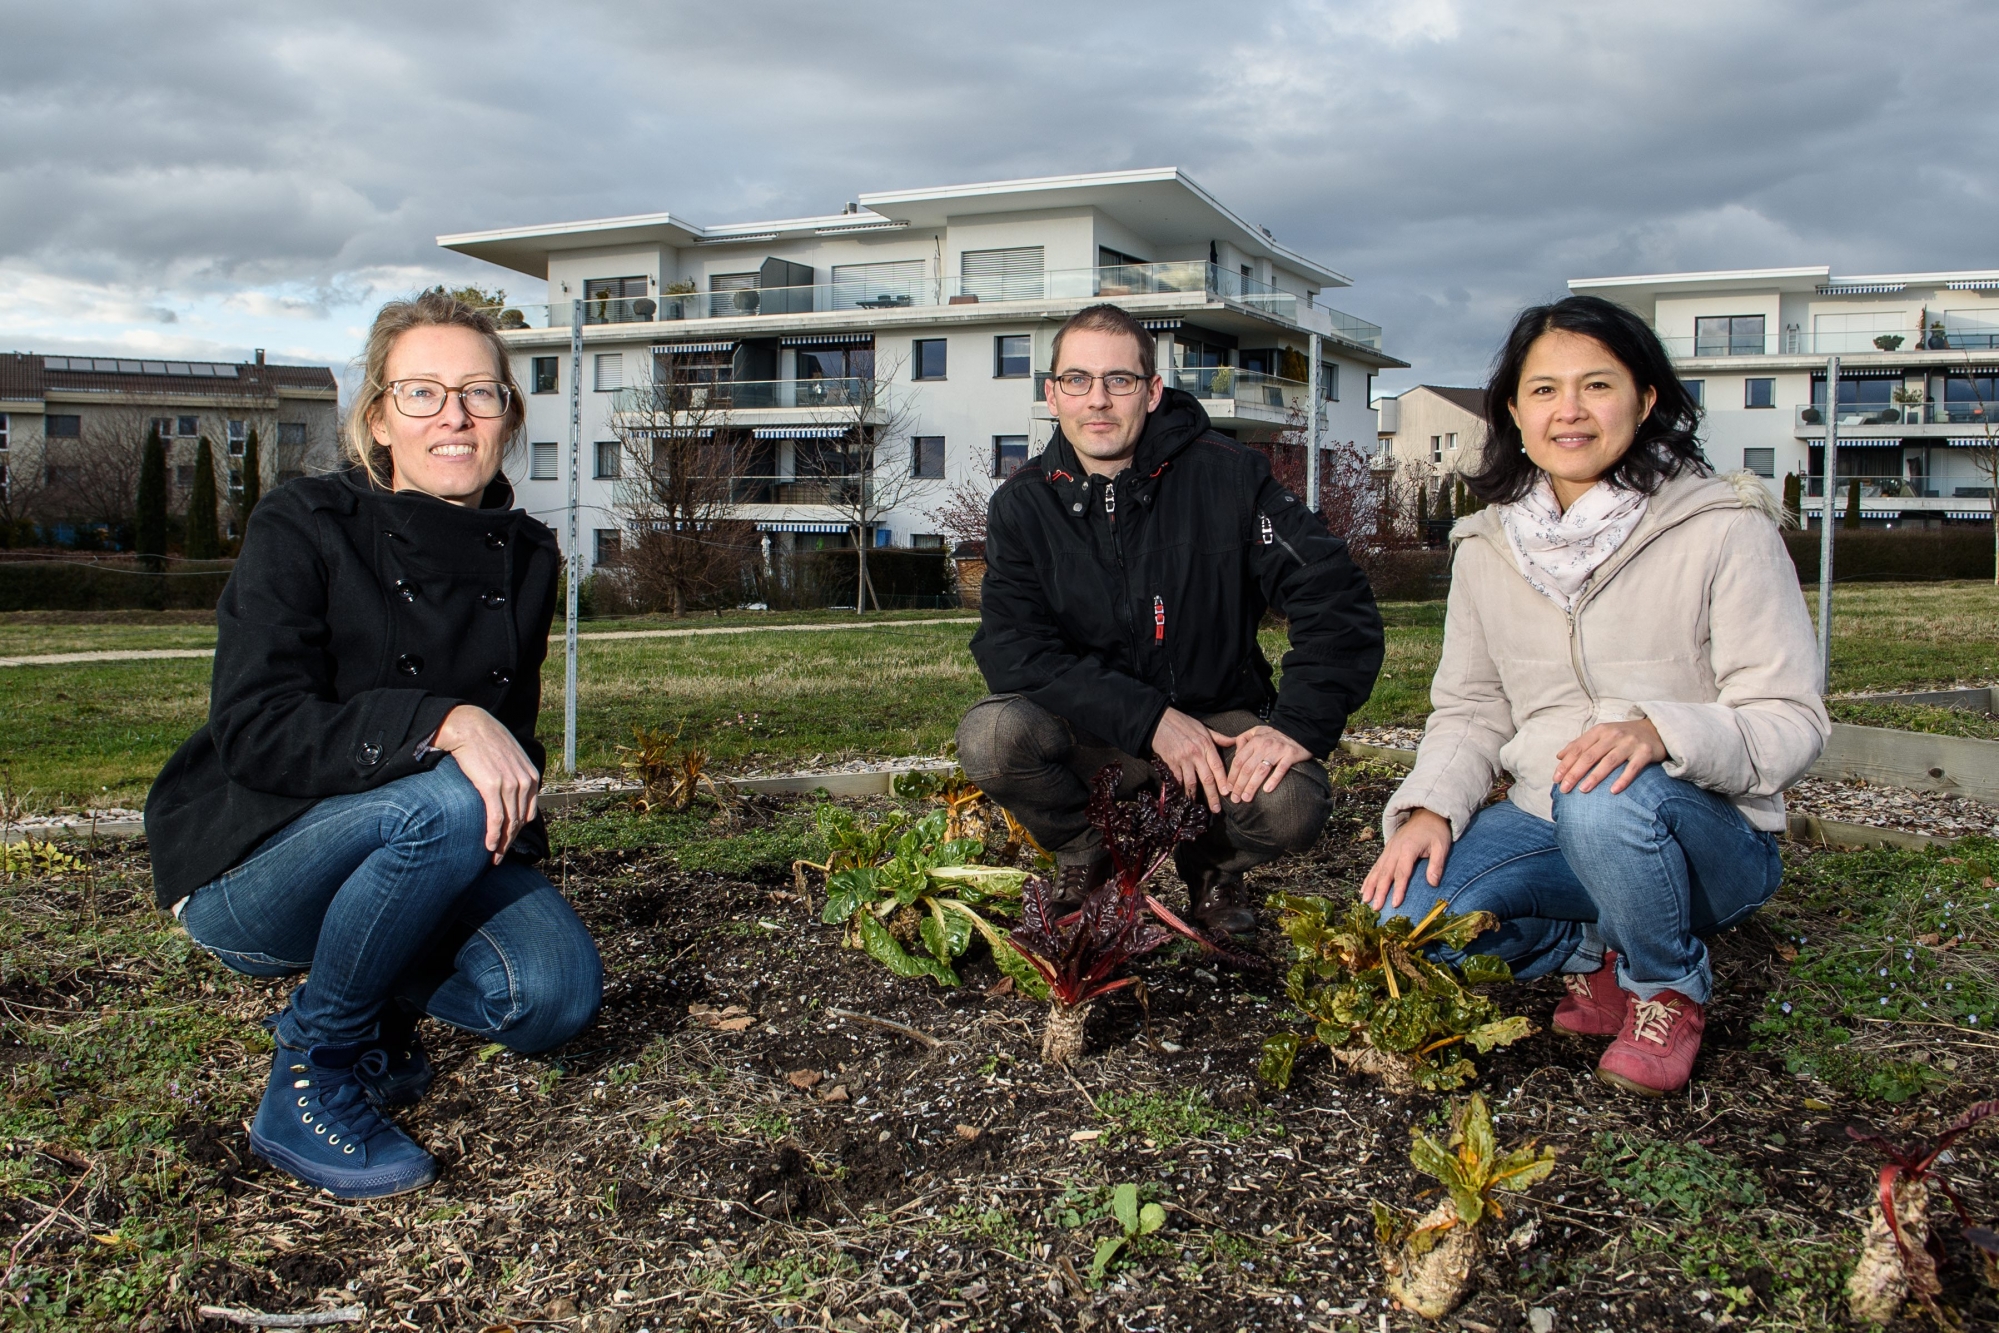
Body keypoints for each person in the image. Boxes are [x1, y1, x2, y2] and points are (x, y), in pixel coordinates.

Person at [145, 291, 602, 1199]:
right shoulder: (303, 526)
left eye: (479, 392)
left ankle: (380, 969)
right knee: (444, 794)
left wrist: (514, 842)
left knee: (553, 996)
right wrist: (442, 719)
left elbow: (512, 742)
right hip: (252, 864)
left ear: (508, 414)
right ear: (379, 417)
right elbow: (256, 728)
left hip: (421, 842)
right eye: (423, 393)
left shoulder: (529, 556)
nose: (455, 416)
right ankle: (313, 1068)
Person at [1361, 294, 1828, 1097]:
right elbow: (1471, 709)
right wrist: (1432, 806)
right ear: (1512, 409)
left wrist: (1659, 732)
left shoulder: (1723, 526)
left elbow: (1791, 718)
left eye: (1596, 385)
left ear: (1645, 400)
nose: (1568, 411)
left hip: (1700, 835)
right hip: (1551, 819)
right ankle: (1594, 950)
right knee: (1405, 920)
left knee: (1608, 795)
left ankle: (1666, 984)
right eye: (1543, 390)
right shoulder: (1484, 547)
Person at [958, 304, 1384, 933]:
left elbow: (1333, 596)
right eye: (1077, 380)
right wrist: (1149, 719)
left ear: (1152, 391)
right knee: (992, 737)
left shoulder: (1232, 480)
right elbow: (1015, 651)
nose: (1097, 400)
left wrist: (1295, 724)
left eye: (1119, 381)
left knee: (1293, 802)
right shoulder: (1023, 506)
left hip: (1218, 721)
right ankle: (1088, 854)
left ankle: (1212, 866)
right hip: (1093, 726)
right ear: (1052, 394)